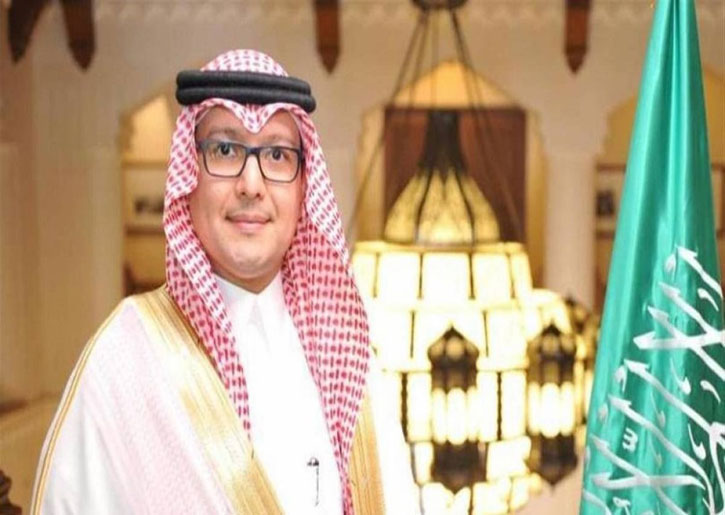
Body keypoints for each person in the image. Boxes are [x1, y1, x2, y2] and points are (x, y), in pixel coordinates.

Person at [30, 50, 419, 514]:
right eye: (226, 150)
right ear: (188, 176)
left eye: (277, 154)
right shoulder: (123, 360)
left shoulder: (348, 353)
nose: (252, 184)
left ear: (303, 185)